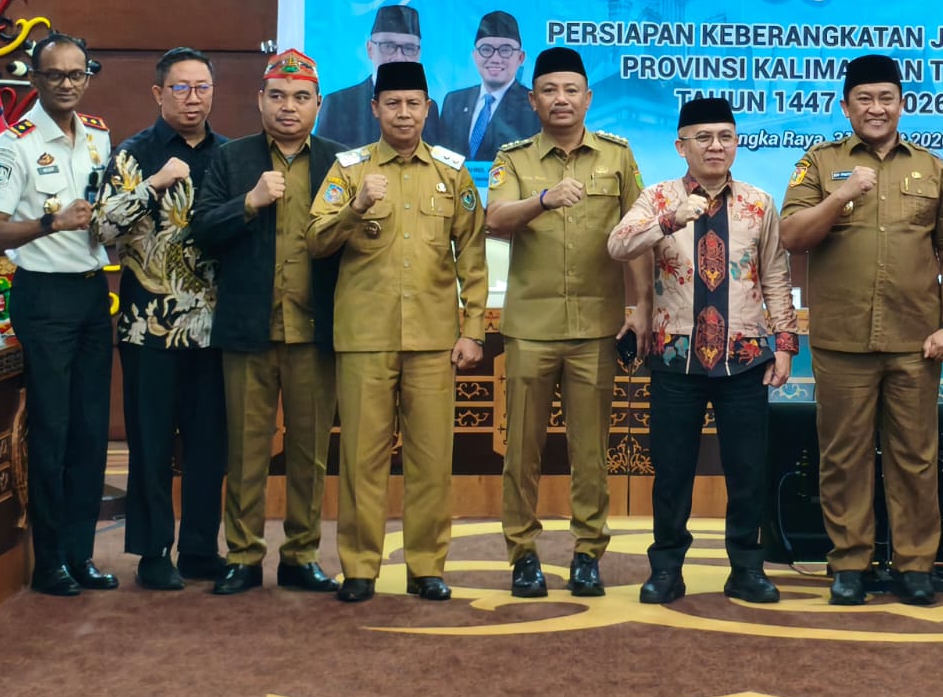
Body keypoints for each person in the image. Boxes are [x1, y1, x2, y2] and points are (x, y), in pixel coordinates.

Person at [780, 53, 943, 607]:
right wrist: (841, 195)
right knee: (844, 457)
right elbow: (792, 236)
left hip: (917, 341)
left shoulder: (931, 168)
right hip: (842, 340)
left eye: (886, 97)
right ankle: (850, 563)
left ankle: (915, 565)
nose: (876, 108)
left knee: (916, 457)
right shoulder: (819, 163)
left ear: (902, 104)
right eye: (864, 99)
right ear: (846, 107)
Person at [305, 60, 487, 603]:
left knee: (431, 461)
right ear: (375, 108)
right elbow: (316, 240)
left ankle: (427, 567)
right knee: (362, 459)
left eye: (412, 104)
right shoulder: (349, 170)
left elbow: (472, 257)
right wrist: (355, 208)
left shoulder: (453, 173)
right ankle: (360, 568)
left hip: (433, 341)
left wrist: (473, 329)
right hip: (365, 338)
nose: (403, 113)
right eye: (392, 103)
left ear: (427, 109)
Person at [608, 96, 796, 605]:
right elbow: (617, 245)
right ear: (680, 146)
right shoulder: (657, 197)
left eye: (725, 137)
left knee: (747, 471)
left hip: (745, 357)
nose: (716, 146)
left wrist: (784, 344)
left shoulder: (759, 202)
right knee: (671, 471)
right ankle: (667, 569)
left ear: (736, 143)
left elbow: (776, 276)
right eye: (704, 138)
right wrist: (669, 221)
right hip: (675, 358)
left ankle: (747, 568)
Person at [485, 46, 650, 599]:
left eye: (571, 90)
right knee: (521, 451)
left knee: (590, 452)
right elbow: (495, 220)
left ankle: (587, 554)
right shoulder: (513, 159)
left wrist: (641, 306)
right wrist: (543, 199)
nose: (561, 99)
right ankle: (523, 555)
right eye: (549, 91)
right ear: (532, 101)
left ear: (588, 98)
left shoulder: (617, 156)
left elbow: (639, 234)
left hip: (596, 328)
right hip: (530, 328)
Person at [189, 49, 344, 596]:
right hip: (248, 329)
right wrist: (249, 203)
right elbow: (201, 230)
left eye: (301, 97)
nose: (288, 107)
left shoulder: (340, 162)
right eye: (277, 96)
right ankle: (244, 556)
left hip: (316, 331)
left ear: (318, 104)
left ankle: (301, 555)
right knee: (246, 450)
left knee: (309, 453)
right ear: (260, 100)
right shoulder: (232, 159)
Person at [92, 47, 228, 591]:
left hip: (213, 328)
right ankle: (152, 552)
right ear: (158, 93)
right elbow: (103, 229)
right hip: (148, 327)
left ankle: (198, 548)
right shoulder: (134, 154)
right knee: (150, 445)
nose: (192, 98)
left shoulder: (230, 155)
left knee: (208, 446)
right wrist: (153, 186)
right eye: (180, 88)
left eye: (202, 87)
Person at [0, 34, 114, 595]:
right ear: (35, 79)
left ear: (88, 75)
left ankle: (82, 556)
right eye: (55, 74)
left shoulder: (99, 135)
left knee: (90, 430)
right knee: (52, 429)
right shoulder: (11, 146)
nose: (67, 83)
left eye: (77, 73)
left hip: (91, 294)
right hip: (42, 297)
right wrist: (50, 223)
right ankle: (50, 562)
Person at [314, 5, 439, 149]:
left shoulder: (429, 109)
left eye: (409, 48)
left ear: (419, 54)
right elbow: (324, 158)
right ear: (370, 49)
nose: (398, 57)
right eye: (388, 46)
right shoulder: (338, 104)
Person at [435, 11, 540, 161]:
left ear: (520, 58)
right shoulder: (454, 101)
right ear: (475, 55)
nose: (495, 59)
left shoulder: (534, 105)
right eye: (486, 49)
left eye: (505, 50)